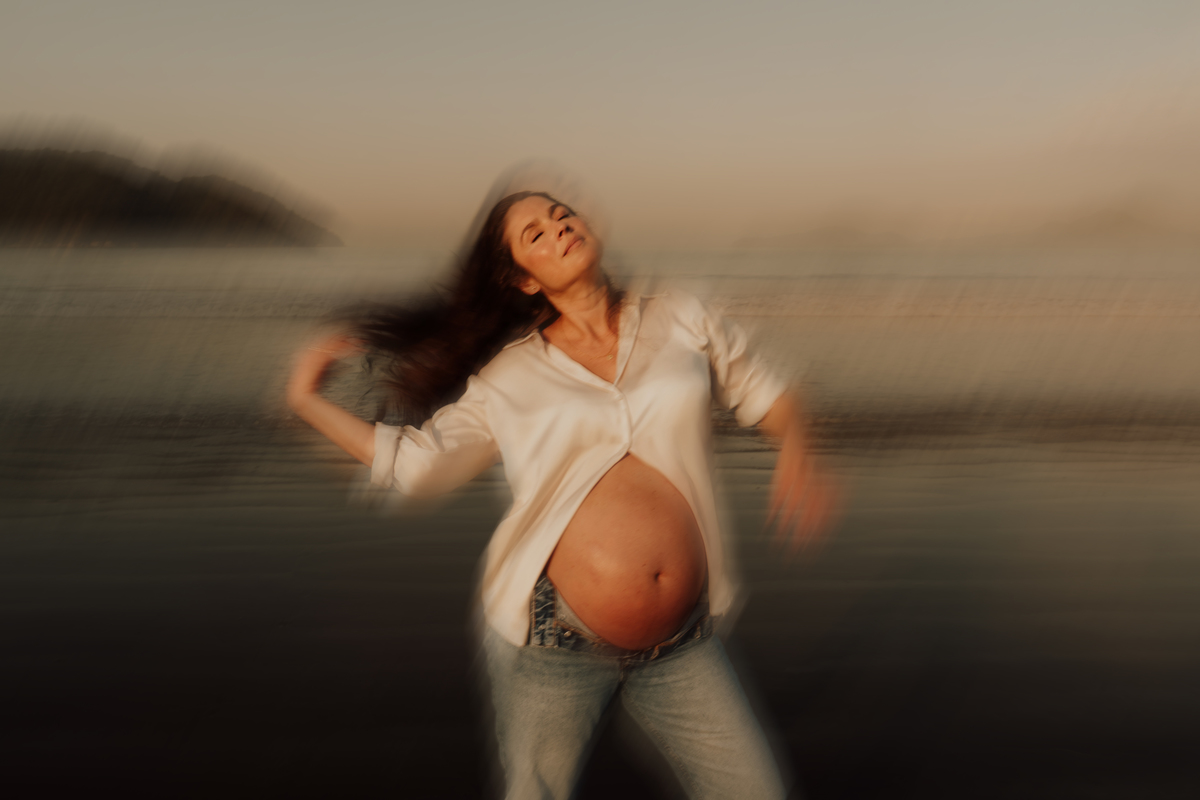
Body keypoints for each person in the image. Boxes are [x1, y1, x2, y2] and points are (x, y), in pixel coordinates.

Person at [286, 189, 837, 799]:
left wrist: (796, 444)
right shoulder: (509, 375)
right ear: (523, 280)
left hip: (682, 642)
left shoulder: (680, 314)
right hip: (556, 643)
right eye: (535, 234)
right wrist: (307, 402)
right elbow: (418, 465)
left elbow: (762, 387)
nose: (558, 227)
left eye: (560, 214)